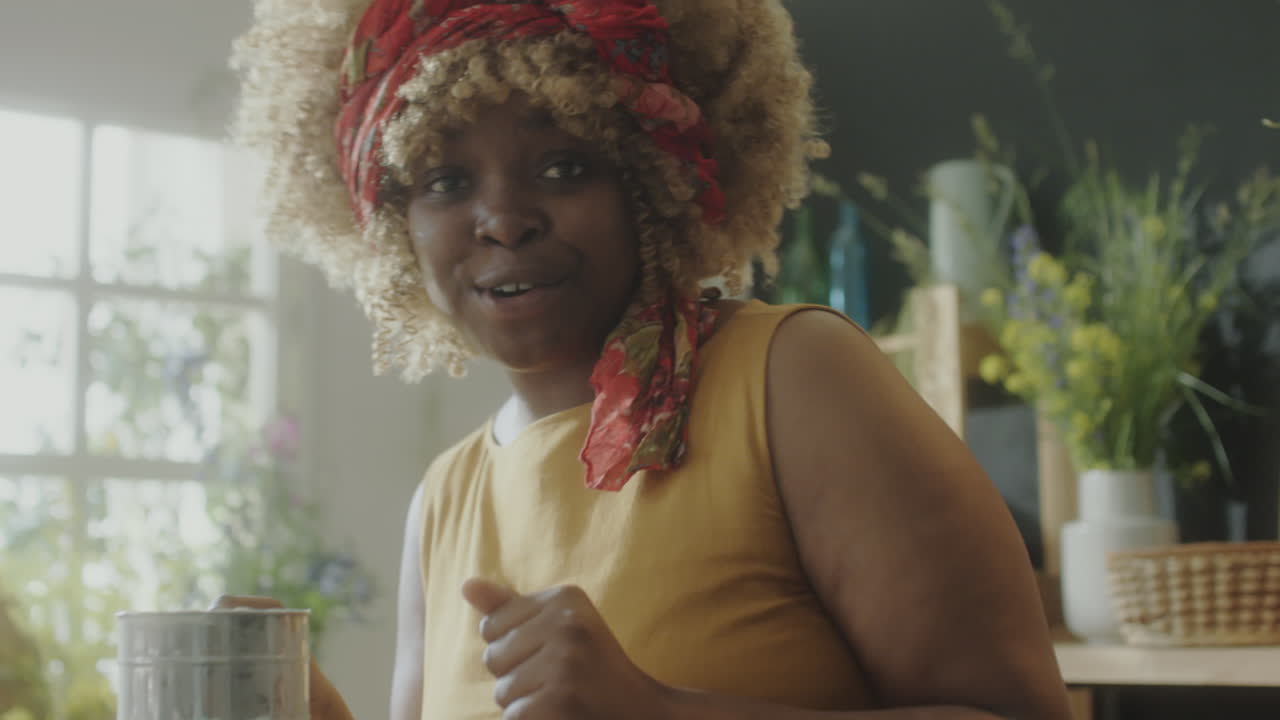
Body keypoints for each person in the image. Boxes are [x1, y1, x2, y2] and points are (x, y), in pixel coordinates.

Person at [219, 1, 1074, 718]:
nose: (503, 220)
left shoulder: (794, 379)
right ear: (393, 220)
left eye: (563, 166)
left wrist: (659, 711)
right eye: (445, 182)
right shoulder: (445, 497)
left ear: (655, 180)